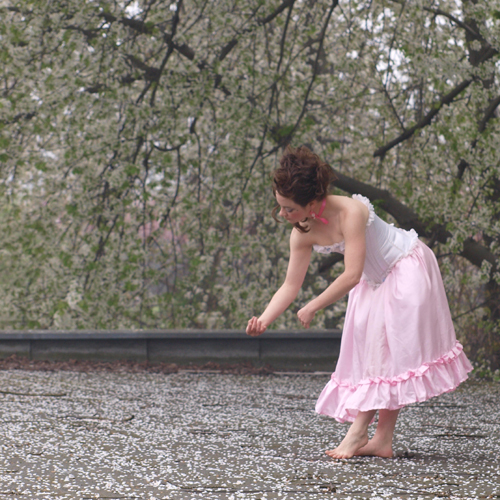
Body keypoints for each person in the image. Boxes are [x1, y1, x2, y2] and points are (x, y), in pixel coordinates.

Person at [246, 145, 473, 459]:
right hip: (375, 279)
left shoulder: (351, 212)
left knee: (385, 352)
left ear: (311, 203)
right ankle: (382, 440)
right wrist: (263, 320)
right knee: (379, 351)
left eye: (289, 209)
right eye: (280, 207)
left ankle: (358, 431)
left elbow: (352, 274)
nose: (283, 215)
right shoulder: (302, 233)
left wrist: (313, 306)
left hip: (405, 266)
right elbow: (289, 285)